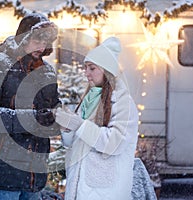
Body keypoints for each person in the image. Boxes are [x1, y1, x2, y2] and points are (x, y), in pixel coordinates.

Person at [0, 13, 61, 200]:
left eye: (45, 42)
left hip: (33, 176)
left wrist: (57, 117)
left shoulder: (46, 72)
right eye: (37, 41)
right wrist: (34, 118)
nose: (42, 47)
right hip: (3, 174)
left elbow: (52, 109)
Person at [55, 36, 139, 200]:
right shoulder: (90, 98)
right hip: (81, 187)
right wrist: (67, 129)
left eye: (91, 68)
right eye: (85, 68)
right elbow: (75, 143)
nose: (86, 73)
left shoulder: (123, 103)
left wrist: (79, 126)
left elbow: (115, 143)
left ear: (107, 70)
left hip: (105, 190)